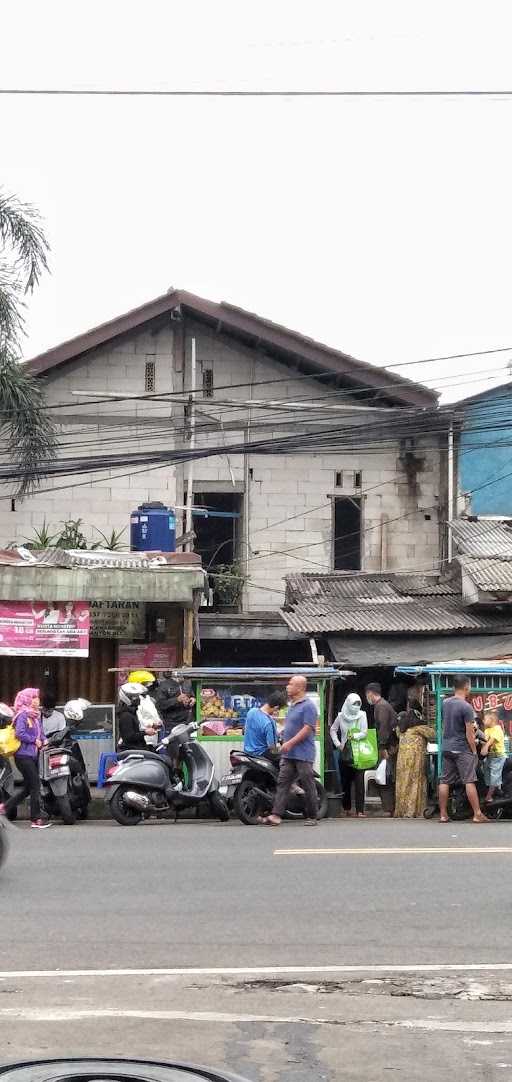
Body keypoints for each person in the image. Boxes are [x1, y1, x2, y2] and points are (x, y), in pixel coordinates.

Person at [260, 674, 319, 826]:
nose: (287, 687)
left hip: (304, 754)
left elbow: (307, 729)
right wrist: (283, 734)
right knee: (283, 783)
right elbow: (291, 726)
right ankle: (276, 815)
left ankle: (313, 816)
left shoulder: (309, 706)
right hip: (289, 754)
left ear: (299, 688)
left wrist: (291, 742)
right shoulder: (292, 705)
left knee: (307, 783)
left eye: (291, 684)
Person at [439, 674, 488, 824]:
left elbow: (444, 725)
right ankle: (477, 814)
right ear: (466, 687)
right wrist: (473, 751)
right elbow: (469, 733)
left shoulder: (445, 703)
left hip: (447, 747)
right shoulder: (466, 706)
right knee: (469, 780)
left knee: (445, 780)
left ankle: (443, 815)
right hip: (461, 748)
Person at [0, 688, 51, 829]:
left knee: (29, 787)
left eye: (37, 697)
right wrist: (35, 741)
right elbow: (19, 733)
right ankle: (36, 819)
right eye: (34, 697)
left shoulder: (35, 715)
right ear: (28, 700)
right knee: (35, 785)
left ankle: (4, 807)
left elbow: (40, 732)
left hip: (33, 755)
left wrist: (44, 740)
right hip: (23, 756)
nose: (37, 700)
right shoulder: (22, 715)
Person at [394, 701, 436, 818]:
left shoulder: (401, 728)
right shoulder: (419, 728)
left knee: (402, 783)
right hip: (415, 761)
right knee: (415, 784)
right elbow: (433, 734)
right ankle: (412, 811)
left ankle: (401, 810)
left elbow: (397, 732)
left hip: (402, 761)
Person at [330, 692, 368, 817]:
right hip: (345, 752)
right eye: (354, 704)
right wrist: (338, 743)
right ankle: (346, 808)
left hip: (358, 753)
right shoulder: (341, 716)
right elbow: (333, 730)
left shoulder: (362, 715)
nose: (356, 706)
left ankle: (360, 811)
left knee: (359, 782)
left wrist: (355, 736)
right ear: (348, 703)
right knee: (345, 781)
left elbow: (364, 732)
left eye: (358, 704)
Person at [365, 683, 398, 816]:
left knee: (386, 777)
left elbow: (384, 728)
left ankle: (390, 808)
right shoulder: (381, 705)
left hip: (389, 747)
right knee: (385, 776)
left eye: (367, 694)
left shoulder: (382, 706)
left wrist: (382, 747)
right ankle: (389, 808)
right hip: (388, 746)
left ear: (371, 694)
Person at [243, 691, 287, 763]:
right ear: (276, 707)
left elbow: (245, 730)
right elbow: (272, 748)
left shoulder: (251, 712)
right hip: (261, 755)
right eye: (279, 709)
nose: (278, 712)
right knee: (288, 758)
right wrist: (283, 749)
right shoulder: (269, 722)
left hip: (248, 753)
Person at [117, 683, 155, 751]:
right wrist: (145, 732)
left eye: (138, 696)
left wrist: (147, 729)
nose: (138, 699)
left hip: (137, 748)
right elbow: (128, 737)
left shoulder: (132, 713)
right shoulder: (126, 716)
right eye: (135, 696)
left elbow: (134, 730)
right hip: (132, 750)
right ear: (127, 698)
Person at [482, 709, 506, 803]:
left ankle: (489, 795)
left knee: (494, 775)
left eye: (485, 719)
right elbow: (485, 740)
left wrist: (486, 746)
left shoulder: (497, 728)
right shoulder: (487, 730)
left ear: (491, 720)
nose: (483, 721)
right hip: (490, 756)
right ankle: (494, 789)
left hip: (498, 756)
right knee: (486, 771)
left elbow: (492, 740)